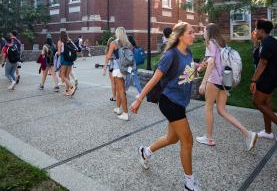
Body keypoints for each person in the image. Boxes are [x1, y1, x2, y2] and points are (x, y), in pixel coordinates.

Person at [130, 22, 202, 191]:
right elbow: (155, 79)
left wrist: (198, 67)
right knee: (188, 141)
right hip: (169, 101)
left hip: (180, 101)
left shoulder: (188, 52)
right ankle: (189, 183)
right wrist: (139, 99)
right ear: (180, 36)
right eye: (190, 33)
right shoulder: (170, 55)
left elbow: (187, 75)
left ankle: (145, 152)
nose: (194, 35)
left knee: (172, 138)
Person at [197, 23, 258, 150]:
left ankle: (208, 137)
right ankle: (247, 133)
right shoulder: (221, 43)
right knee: (221, 110)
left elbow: (212, 63)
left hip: (213, 80)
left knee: (208, 108)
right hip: (224, 79)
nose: (203, 32)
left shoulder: (209, 43)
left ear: (209, 32)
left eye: (204, 30)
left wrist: (203, 82)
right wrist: (201, 66)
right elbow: (213, 61)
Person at [250, 19, 277, 142]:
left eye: (256, 29)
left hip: (269, 77)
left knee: (257, 102)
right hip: (275, 77)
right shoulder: (271, 40)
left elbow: (263, 62)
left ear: (261, 30)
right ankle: (268, 131)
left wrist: (253, 80)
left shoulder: (266, 42)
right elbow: (259, 57)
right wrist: (255, 42)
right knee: (265, 103)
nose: (255, 31)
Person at [104, 27, 133, 121]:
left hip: (118, 69)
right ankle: (118, 108)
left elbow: (108, 56)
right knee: (121, 90)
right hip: (126, 69)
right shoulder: (128, 44)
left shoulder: (114, 43)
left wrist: (110, 54)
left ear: (117, 33)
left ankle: (125, 113)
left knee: (121, 92)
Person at [57, 30, 77, 96]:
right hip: (70, 59)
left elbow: (59, 53)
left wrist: (57, 53)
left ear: (60, 36)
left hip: (64, 59)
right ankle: (67, 91)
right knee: (67, 75)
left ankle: (72, 86)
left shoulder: (60, 42)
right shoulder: (69, 40)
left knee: (62, 75)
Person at [105, 37, 117, 101]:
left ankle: (114, 97)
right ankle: (121, 94)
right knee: (118, 82)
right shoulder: (117, 48)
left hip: (112, 67)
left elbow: (106, 60)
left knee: (113, 83)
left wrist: (104, 69)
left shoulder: (108, 50)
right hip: (118, 67)